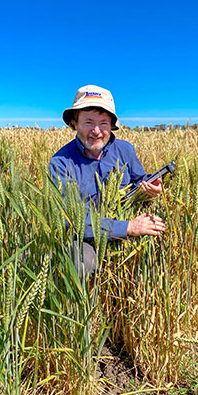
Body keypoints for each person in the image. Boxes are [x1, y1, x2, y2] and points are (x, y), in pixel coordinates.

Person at [49, 85, 166, 273]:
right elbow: (70, 218)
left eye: (103, 123)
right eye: (88, 122)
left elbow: (139, 180)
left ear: (111, 126)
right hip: (84, 237)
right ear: (74, 123)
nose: (97, 131)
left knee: (158, 247)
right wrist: (128, 227)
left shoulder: (125, 150)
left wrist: (152, 189)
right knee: (81, 263)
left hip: (124, 225)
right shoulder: (61, 162)